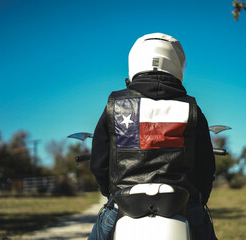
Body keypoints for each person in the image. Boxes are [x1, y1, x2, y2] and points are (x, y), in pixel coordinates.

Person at [88, 33, 217, 240]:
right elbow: (206, 166)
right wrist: (200, 198)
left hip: (124, 201)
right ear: (177, 64)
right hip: (183, 201)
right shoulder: (191, 107)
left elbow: (99, 164)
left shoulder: (114, 105)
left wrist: (109, 193)